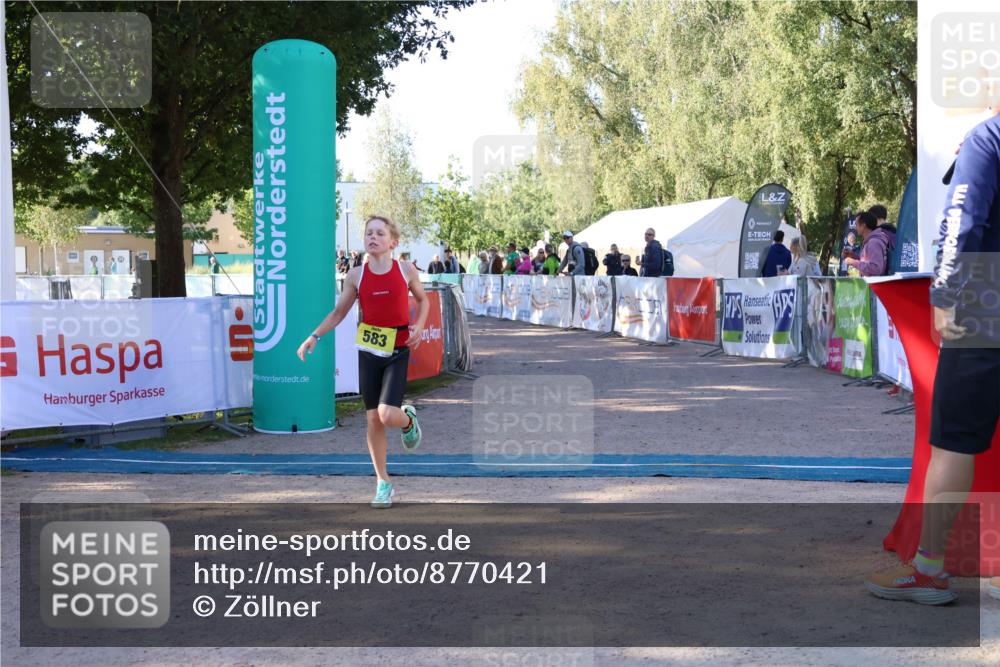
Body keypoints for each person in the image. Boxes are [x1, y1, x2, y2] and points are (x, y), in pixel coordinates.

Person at [865, 109, 1000, 604]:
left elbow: (962, 220)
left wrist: (944, 294)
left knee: (951, 444)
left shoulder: (988, 138)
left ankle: (929, 571)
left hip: (986, 304)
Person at [297, 215, 429, 509]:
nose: (373, 237)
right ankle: (383, 482)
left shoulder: (405, 269)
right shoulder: (356, 275)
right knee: (372, 418)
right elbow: (339, 312)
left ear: (393, 242)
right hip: (369, 350)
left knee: (386, 414)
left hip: (398, 348)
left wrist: (419, 326)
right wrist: (314, 337)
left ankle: (407, 420)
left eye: (380, 233)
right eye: (369, 233)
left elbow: (423, 300)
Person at [844, 211, 896, 277]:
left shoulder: (874, 243)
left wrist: (853, 262)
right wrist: (854, 256)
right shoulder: (871, 241)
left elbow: (876, 268)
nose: (855, 227)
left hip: (874, 285)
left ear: (863, 225)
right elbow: (868, 262)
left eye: (856, 224)